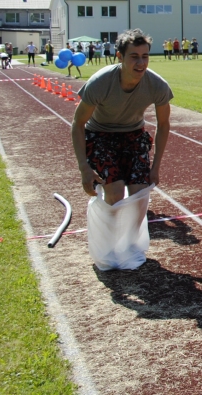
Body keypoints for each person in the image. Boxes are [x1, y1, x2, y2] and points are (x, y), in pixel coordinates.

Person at [72, 29, 172, 270]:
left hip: (134, 135)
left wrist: (156, 165)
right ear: (119, 56)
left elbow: (164, 124)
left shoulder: (157, 85)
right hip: (101, 135)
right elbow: (78, 123)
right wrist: (84, 167)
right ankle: (108, 246)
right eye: (134, 56)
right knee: (115, 193)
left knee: (139, 195)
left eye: (145, 56)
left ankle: (128, 245)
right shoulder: (101, 82)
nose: (140, 63)